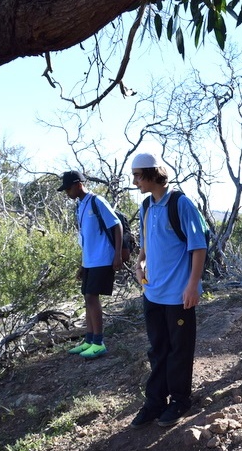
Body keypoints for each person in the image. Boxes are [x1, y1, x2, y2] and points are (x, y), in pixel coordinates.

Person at [130, 152, 207, 429]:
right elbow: (147, 244)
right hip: (152, 293)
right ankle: (154, 402)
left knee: (179, 350)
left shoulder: (181, 204)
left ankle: (180, 400)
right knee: (158, 349)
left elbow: (198, 246)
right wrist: (140, 264)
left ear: (153, 173)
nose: (135, 181)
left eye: (138, 175)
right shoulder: (146, 206)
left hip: (178, 295)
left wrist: (192, 285)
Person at [58, 170, 123, 359]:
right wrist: (82, 264)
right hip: (90, 260)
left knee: (92, 297)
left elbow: (116, 225)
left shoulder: (97, 201)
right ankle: (88, 339)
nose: (67, 192)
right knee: (88, 298)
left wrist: (117, 254)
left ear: (79, 184)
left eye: (68, 188)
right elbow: (86, 238)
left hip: (102, 258)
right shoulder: (80, 206)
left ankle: (98, 342)